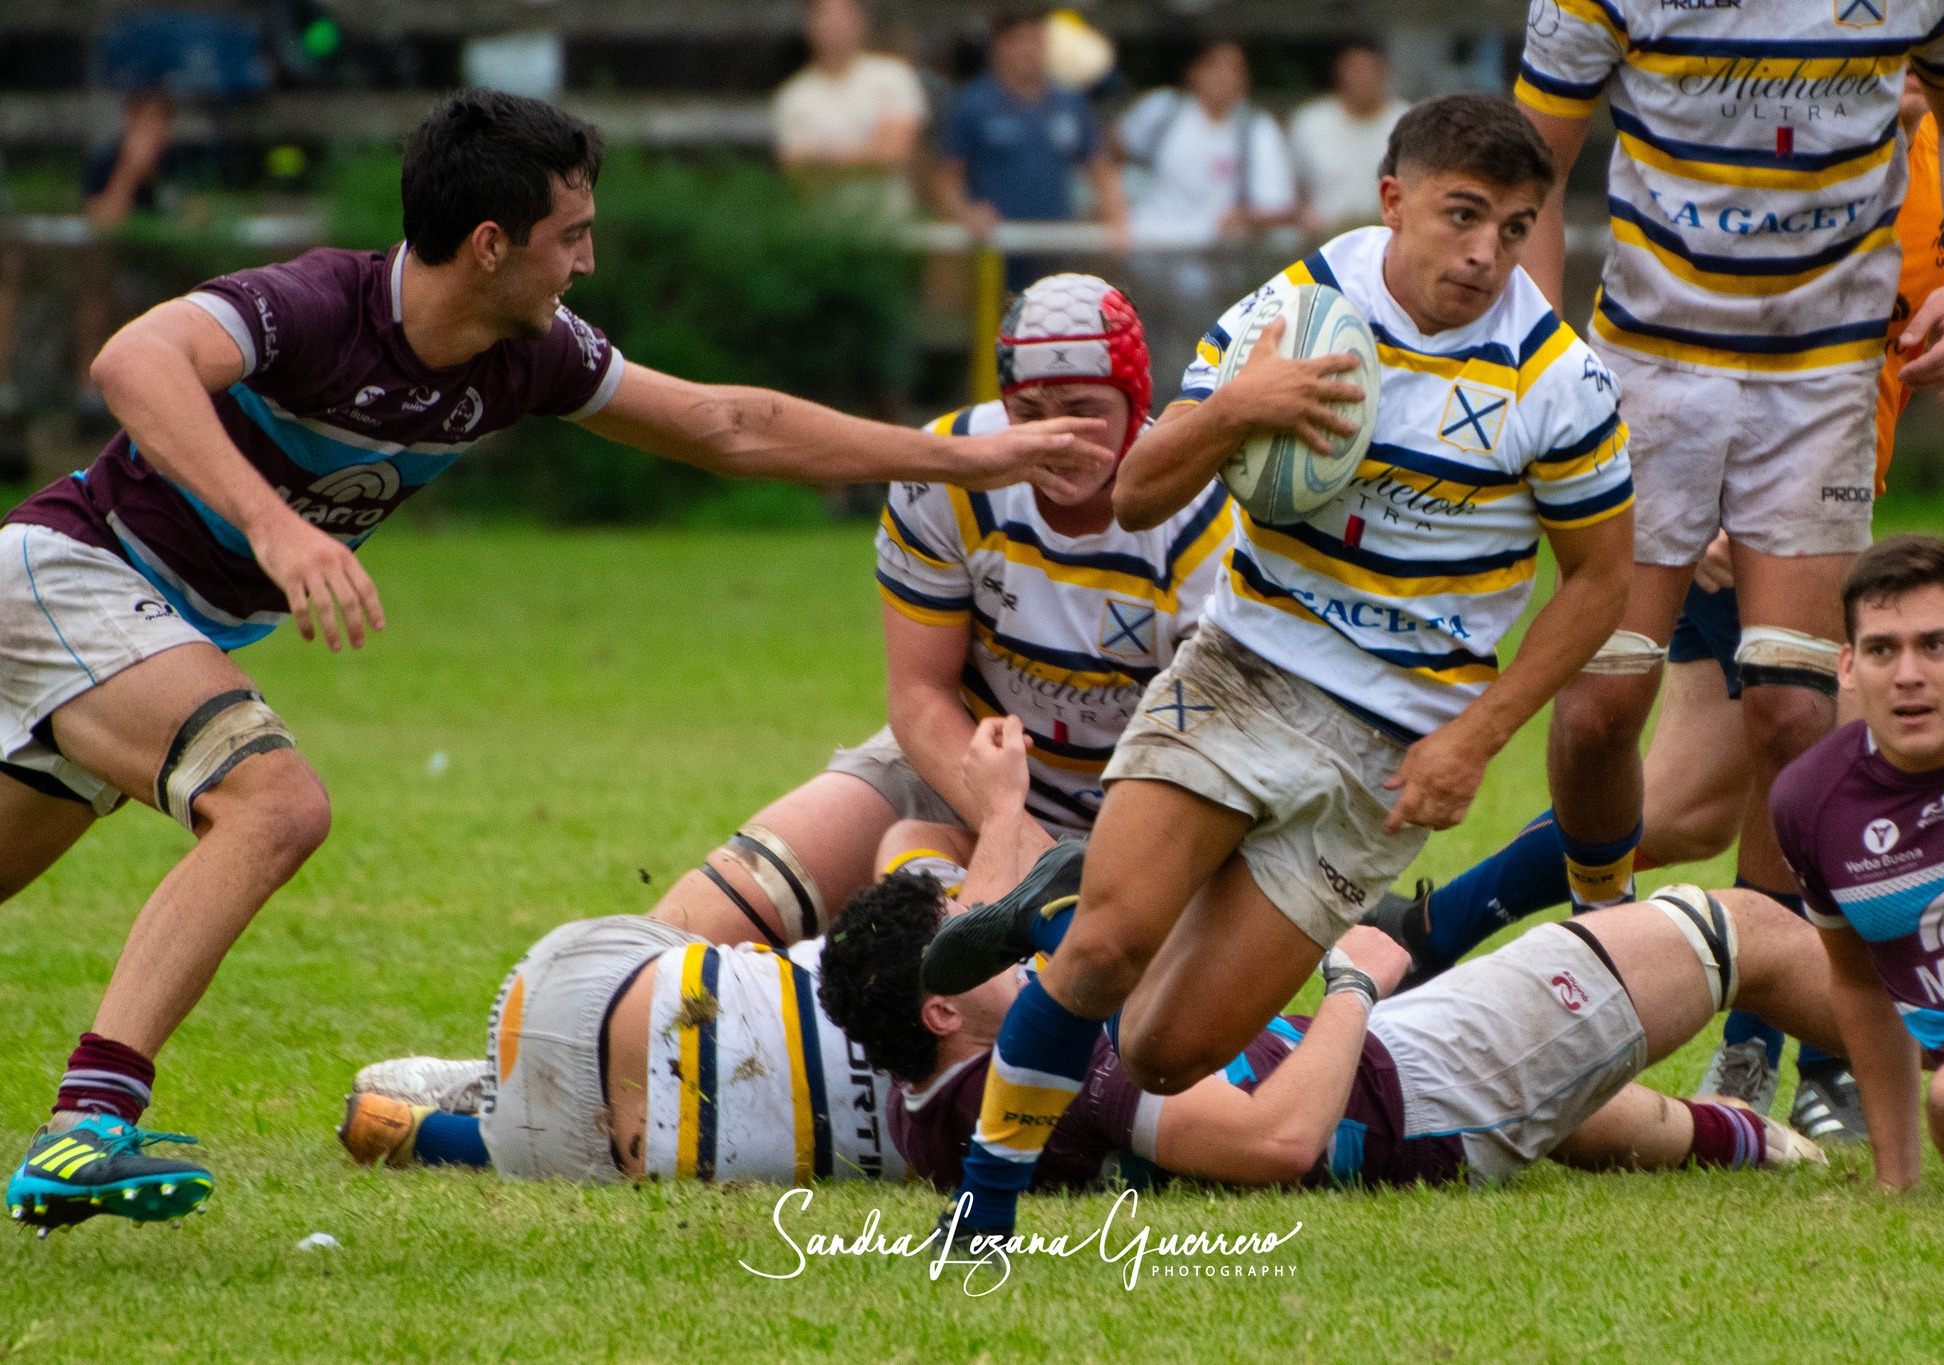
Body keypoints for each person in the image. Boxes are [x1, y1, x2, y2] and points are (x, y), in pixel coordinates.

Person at [0, 90, 1115, 1234]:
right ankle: (90, 1119)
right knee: (274, 806)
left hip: (144, 626)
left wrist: (964, 459)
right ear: (490, 245)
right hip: (75, 573)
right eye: (570, 236)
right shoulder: (319, 306)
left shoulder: (525, 356)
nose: (586, 262)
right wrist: (276, 530)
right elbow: (134, 358)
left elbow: (727, 425)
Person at [923, 94, 1637, 1240]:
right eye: (1460, 215)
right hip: (1245, 667)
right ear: (1392, 199)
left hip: (1392, 744)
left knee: (1164, 1052)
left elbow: (1599, 582)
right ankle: (982, 1216)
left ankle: (1062, 901)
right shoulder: (1294, 311)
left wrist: (1474, 736)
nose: (1483, 253)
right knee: (1107, 950)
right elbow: (1136, 492)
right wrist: (1237, 407)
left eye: (1512, 228)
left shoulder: (1556, 380)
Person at [1371, 75, 1944, 1139]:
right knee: (1792, 753)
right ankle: (1800, 1053)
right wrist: (1700, 506)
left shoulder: (1934, 176)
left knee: (1693, 802)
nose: (1912, 67)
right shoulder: (1760, 135)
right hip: (1710, 513)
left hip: (1817, 515)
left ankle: (1429, 931)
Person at [1506, 0, 1944, 1007]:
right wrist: (1535, 345)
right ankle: (1601, 941)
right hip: (1646, 371)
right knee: (1599, 710)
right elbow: (1527, 168)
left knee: (1793, 711)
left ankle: (1764, 1029)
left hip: (1818, 380)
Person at [644, 273, 1230, 949]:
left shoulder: (1207, 519)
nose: (1057, 436)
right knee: (730, 899)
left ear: (1136, 401)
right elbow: (921, 695)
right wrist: (1022, 838)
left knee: (1082, 980)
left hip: (1140, 805)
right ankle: (602, 990)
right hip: (961, 764)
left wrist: (1074, 870)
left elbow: (1201, 756)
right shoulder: (950, 474)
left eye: (1083, 408)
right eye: (1030, 410)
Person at [823, 844, 1836, 1207]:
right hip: (1412, 1101)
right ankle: (1922, 1036)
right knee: (1736, 929)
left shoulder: (924, 1109)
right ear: (941, 1010)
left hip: (1378, 1073)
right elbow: (1277, 1142)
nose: (995, 944)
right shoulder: (1078, 1076)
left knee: (1576, 1094)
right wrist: (1355, 980)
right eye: (965, 946)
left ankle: (1751, 1142)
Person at [330, 717, 1053, 1187]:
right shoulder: (986, 1106)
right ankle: (457, 1126)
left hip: (580, 986)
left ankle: (488, 1085)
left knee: (736, 948)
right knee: (681, 1134)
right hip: (576, 1149)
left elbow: (921, 865)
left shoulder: (985, 1023)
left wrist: (1002, 813)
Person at [1774, 536, 1944, 1197]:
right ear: (1847, 667)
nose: (1908, 674)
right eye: (1881, 650)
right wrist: (1895, 1179)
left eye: (1935, 645)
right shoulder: (1810, 802)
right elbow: (1860, 985)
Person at [935, 6, 1128, 253]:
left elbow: (1099, 165)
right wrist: (965, 213)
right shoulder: (974, 104)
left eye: (1036, 40)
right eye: (1019, 41)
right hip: (995, 246)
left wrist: (1115, 213)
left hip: (1056, 245)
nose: (1029, 50)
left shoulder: (1069, 102)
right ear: (999, 46)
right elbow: (946, 178)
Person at [1118, 39, 1295, 246]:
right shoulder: (1163, 109)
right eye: (1214, 65)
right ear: (1193, 71)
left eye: (1234, 69)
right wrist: (1115, 213)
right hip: (1147, 242)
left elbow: (1276, 205)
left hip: (1218, 252)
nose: (1224, 76)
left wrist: (1243, 217)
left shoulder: (1258, 128)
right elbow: (1106, 157)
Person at [771, 0, 928, 215]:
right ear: (811, 25)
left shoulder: (893, 77)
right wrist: (868, 156)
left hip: (888, 223)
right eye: (825, 16)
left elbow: (894, 154)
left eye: (843, 15)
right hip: (825, 225)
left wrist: (825, 163)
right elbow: (798, 173)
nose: (835, 24)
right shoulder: (793, 97)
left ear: (860, 22)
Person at [1289, 40, 1409, 237]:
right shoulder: (1310, 122)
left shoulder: (1408, 122)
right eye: (1354, 70)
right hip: (1325, 237)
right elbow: (1294, 188)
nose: (1361, 78)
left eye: (1368, 69)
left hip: (1391, 236)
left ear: (1383, 71)